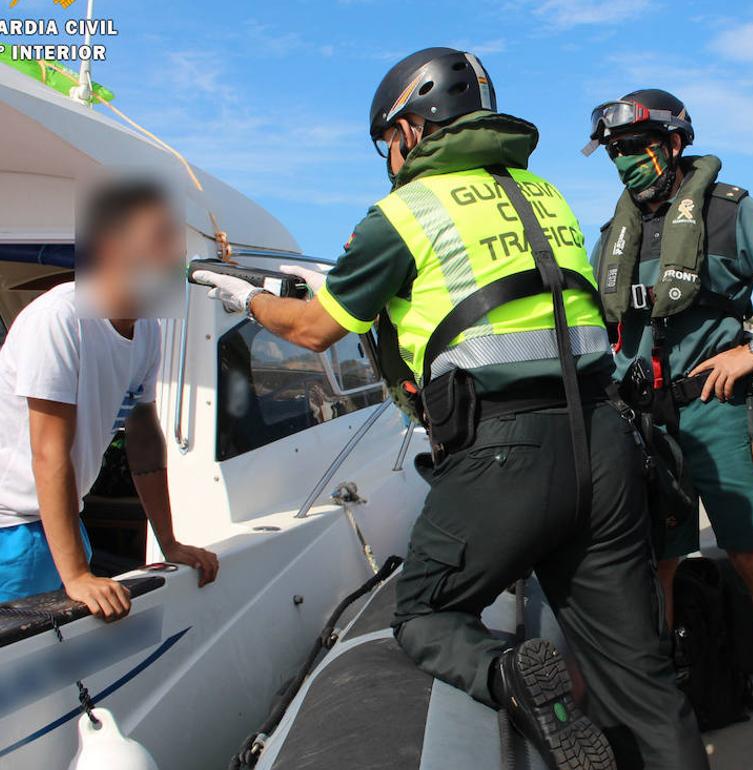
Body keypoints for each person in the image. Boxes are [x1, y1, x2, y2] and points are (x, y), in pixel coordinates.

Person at [193, 49, 707, 770]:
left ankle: (510, 675)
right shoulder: (544, 194)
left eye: (390, 138)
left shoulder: (402, 213)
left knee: (426, 612)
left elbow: (312, 330)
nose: (390, 155)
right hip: (605, 443)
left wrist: (242, 295)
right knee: (644, 681)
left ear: (412, 126)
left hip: (506, 457)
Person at [583, 89, 753, 766]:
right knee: (656, 567)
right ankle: (668, 716)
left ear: (673, 144)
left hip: (718, 411)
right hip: (647, 424)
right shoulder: (609, 237)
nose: (625, 164)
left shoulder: (729, 211)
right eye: (615, 154)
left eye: (635, 150)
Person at [0, 179, 220, 617]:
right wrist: (78, 575)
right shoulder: (59, 318)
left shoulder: (148, 331)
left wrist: (168, 540)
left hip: (62, 522)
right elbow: (49, 453)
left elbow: (142, 441)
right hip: (11, 530)